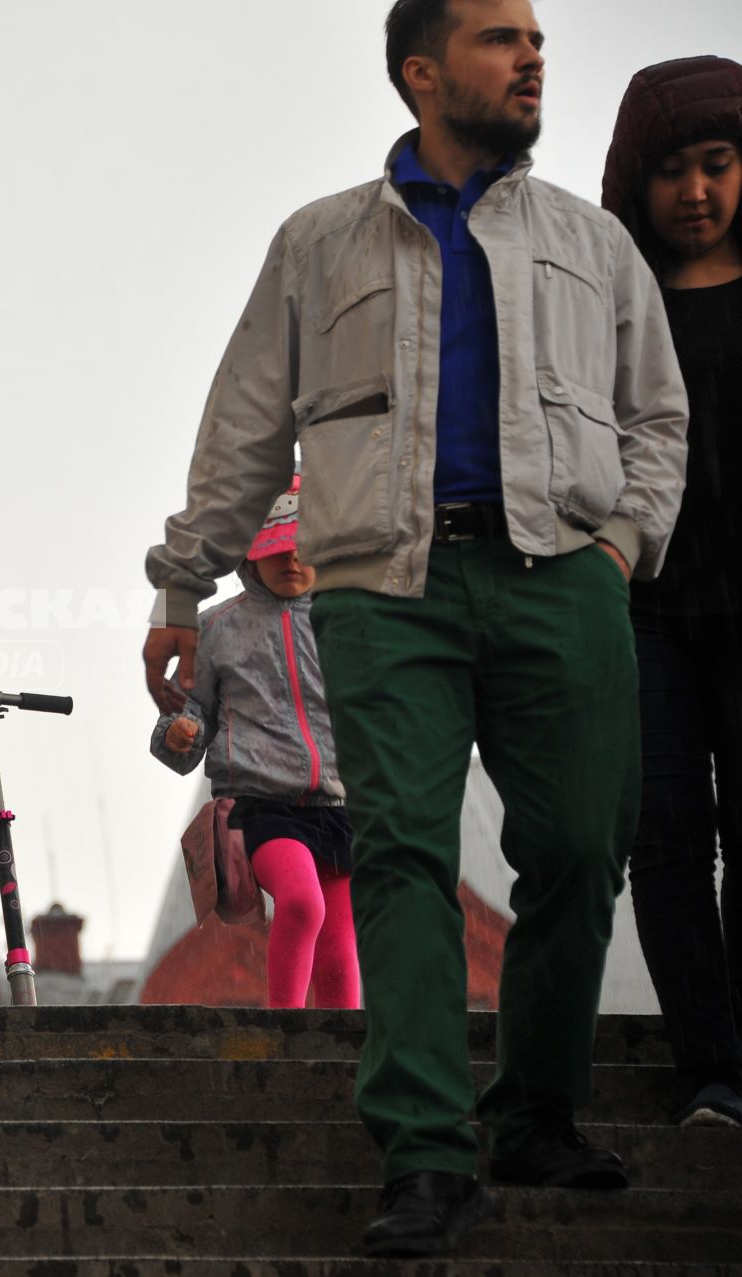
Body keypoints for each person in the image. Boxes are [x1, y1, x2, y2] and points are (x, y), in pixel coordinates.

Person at [140, 0, 689, 1257]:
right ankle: (429, 1148)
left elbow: (655, 416)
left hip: (564, 571)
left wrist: (618, 548)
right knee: (394, 849)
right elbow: (245, 425)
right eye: (503, 37)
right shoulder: (320, 242)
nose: (534, 54)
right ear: (422, 72)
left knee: (578, 841)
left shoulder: (594, 244)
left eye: (537, 36)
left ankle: (539, 1106)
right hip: (384, 586)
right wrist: (184, 584)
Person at [602, 56, 742, 1129]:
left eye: (719, 163)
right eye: (672, 171)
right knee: (667, 832)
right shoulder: (610, 310)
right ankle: (710, 1067)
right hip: (645, 611)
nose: (695, 191)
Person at [150, 480, 359, 1011]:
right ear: (249, 552)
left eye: (302, 546)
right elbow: (187, 706)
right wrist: (179, 731)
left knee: (340, 943)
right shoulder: (217, 629)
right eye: (276, 548)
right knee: (302, 904)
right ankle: (284, 1028)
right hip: (262, 807)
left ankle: (349, 1060)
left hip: (337, 804)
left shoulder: (347, 622)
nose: (290, 558)